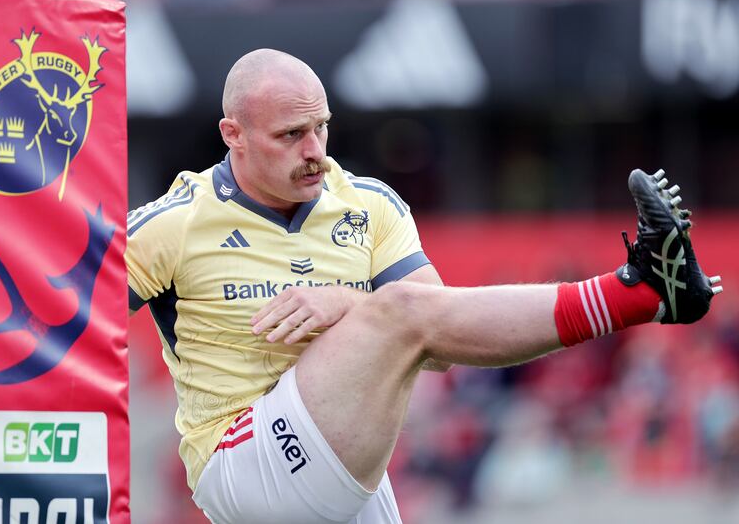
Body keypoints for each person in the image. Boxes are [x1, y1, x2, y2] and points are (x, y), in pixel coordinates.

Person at [126, 49, 722, 524]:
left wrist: (345, 304)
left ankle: (649, 292)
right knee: (398, 307)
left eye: (322, 127)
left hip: (344, 466)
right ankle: (641, 293)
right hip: (241, 459)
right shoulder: (173, 222)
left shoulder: (370, 204)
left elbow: (437, 347)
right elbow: (79, 317)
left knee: (402, 310)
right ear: (232, 133)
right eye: (290, 134)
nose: (315, 152)